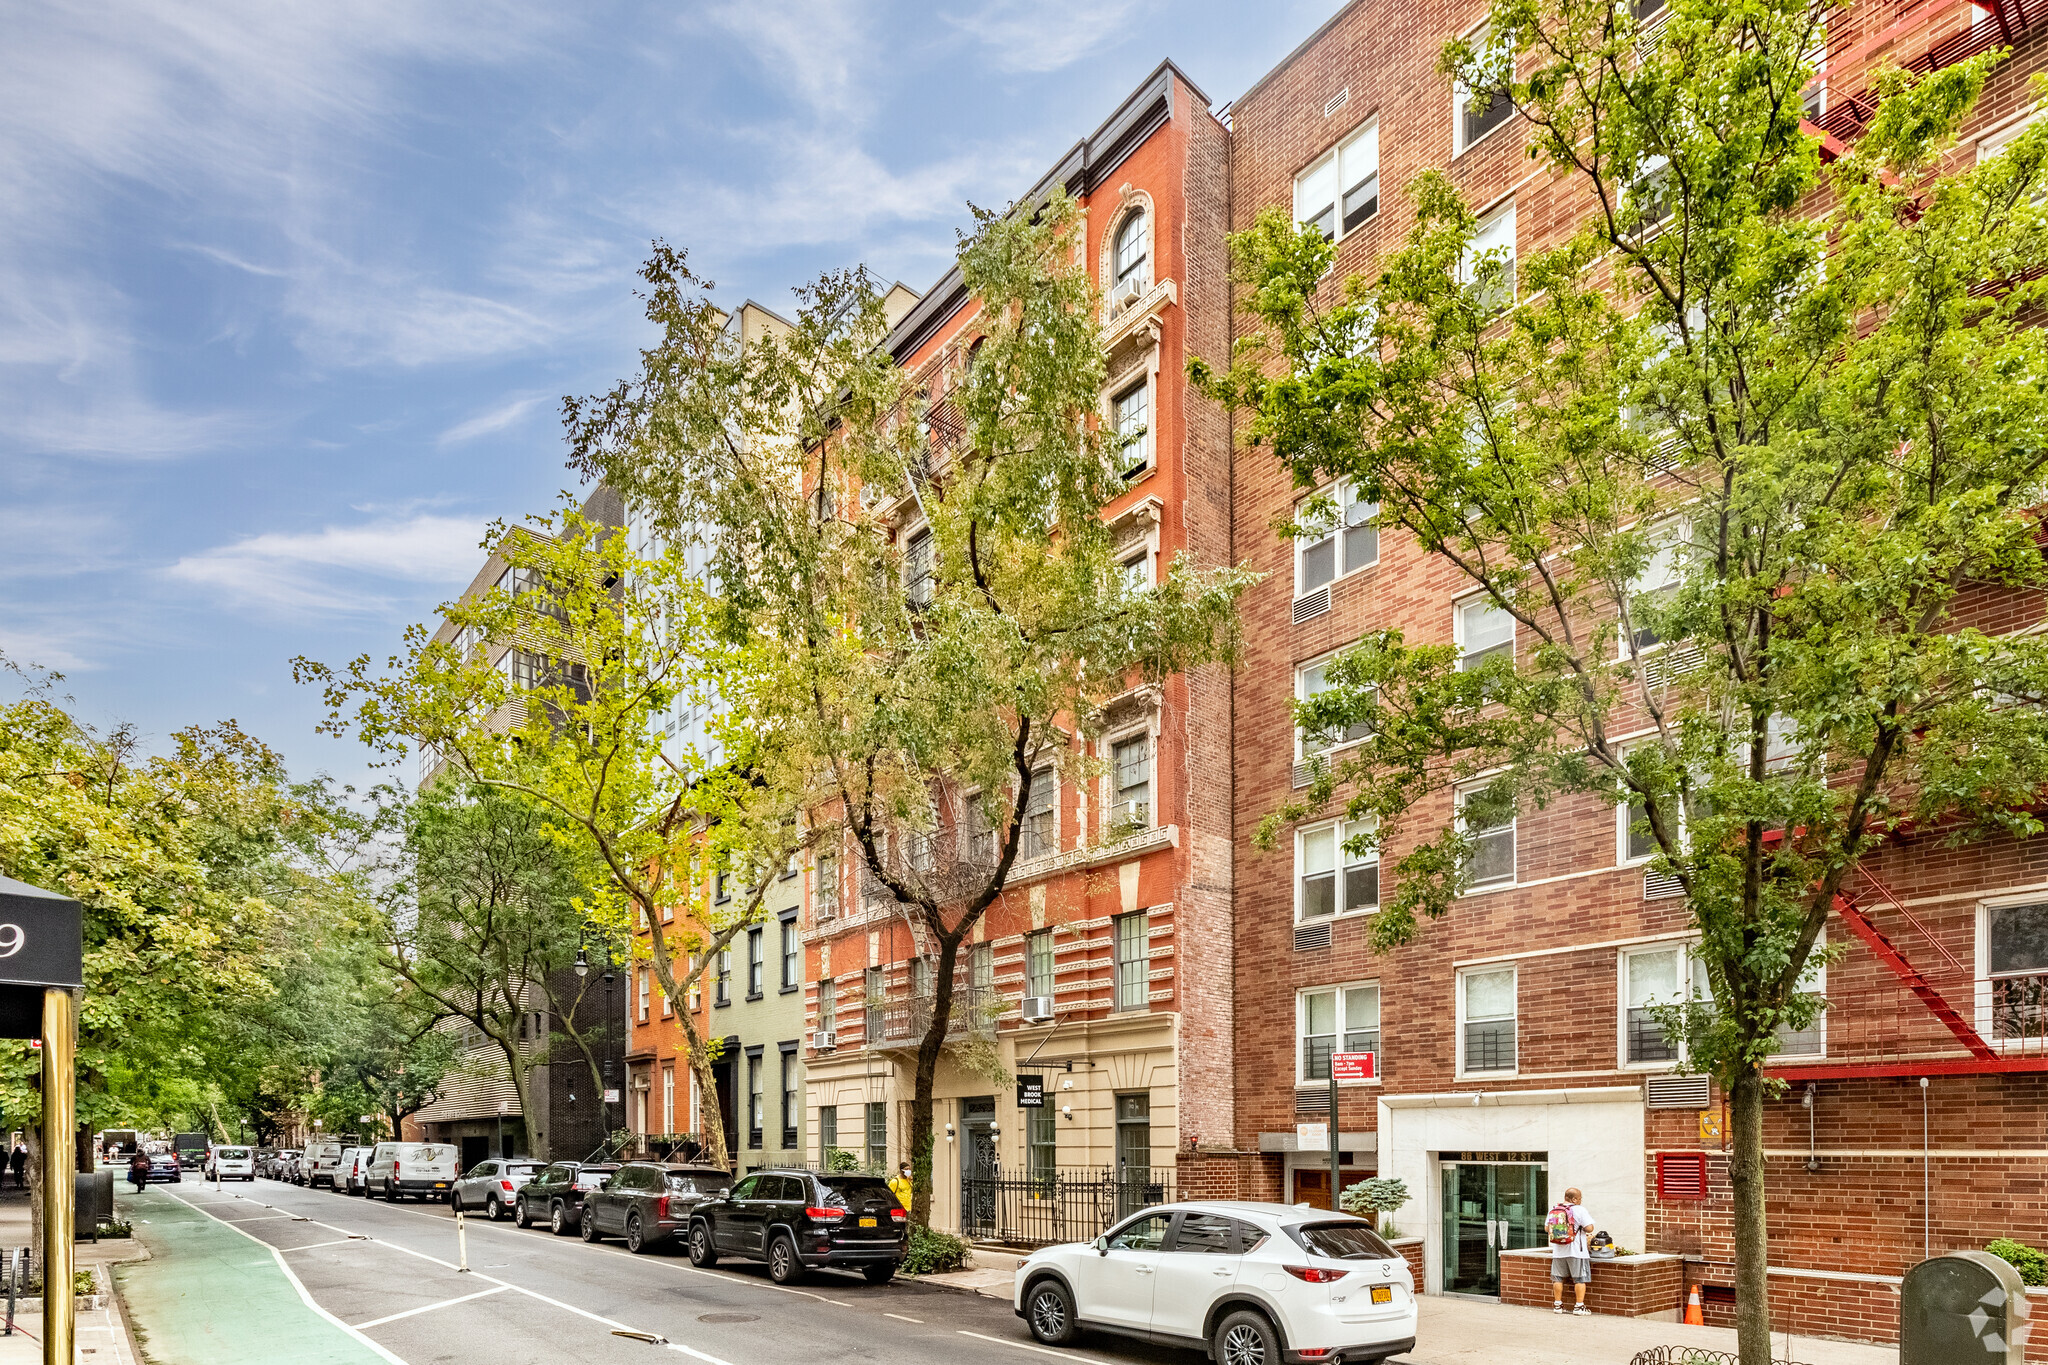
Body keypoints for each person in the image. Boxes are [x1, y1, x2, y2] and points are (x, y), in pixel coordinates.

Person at [1547, 1187, 1597, 1315]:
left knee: (1557, 1278)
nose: (1580, 1201)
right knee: (1580, 1279)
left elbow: (1547, 1228)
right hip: (1576, 1251)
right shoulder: (1580, 1210)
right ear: (1574, 1199)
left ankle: (1558, 1305)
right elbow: (1590, 1228)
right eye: (1580, 1198)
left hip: (1558, 1250)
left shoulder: (1554, 1209)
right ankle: (1579, 1307)